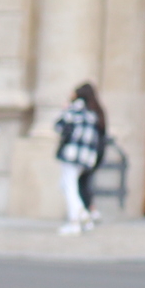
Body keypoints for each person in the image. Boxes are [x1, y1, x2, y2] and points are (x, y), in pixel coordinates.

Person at [53, 82, 105, 235]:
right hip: (87, 157)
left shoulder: (76, 108)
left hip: (72, 154)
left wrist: (65, 108)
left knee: (69, 187)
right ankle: (84, 216)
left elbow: (59, 125)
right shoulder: (93, 112)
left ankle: (74, 222)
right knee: (66, 184)